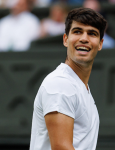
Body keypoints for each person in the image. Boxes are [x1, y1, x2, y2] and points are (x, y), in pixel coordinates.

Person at [29, 7, 107, 150]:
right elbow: (61, 147)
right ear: (65, 39)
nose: (84, 38)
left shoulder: (78, 87)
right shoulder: (61, 84)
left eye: (92, 33)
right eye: (77, 32)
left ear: (100, 44)